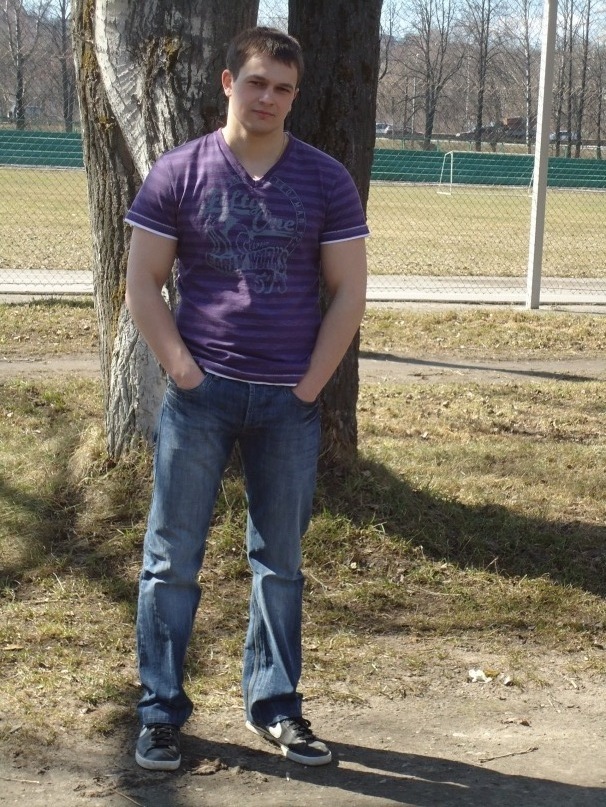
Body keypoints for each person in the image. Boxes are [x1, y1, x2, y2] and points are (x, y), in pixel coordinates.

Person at [125, 25, 369, 771]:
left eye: (283, 88)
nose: (269, 98)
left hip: (288, 404)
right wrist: (183, 371)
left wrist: (310, 385)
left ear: (294, 97)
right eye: (257, 82)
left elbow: (349, 291)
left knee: (280, 564)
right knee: (171, 559)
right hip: (200, 398)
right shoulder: (180, 170)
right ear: (229, 82)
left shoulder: (325, 179)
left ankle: (277, 707)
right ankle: (160, 713)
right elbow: (143, 283)